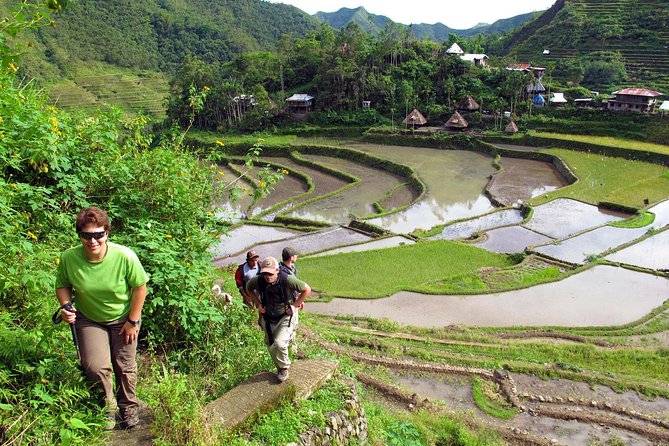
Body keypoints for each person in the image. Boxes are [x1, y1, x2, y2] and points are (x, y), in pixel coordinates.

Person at [55, 207, 149, 430]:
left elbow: (140, 288)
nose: (93, 240)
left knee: (124, 366)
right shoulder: (69, 258)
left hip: (123, 317)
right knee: (95, 366)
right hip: (89, 319)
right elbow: (62, 285)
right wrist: (66, 305)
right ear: (80, 235)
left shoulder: (124, 256)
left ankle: (128, 406)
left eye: (98, 234)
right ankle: (106, 407)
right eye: (87, 235)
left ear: (107, 233)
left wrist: (133, 321)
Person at [246, 257, 311, 383]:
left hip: (285, 316)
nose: (267, 276)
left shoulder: (287, 279)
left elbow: (306, 289)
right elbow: (248, 288)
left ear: (277, 270)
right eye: (265, 273)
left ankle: (284, 368)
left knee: (280, 343)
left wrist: (295, 305)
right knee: (271, 346)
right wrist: (258, 304)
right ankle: (280, 366)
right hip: (269, 318)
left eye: (270, 273)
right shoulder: (258, 280)